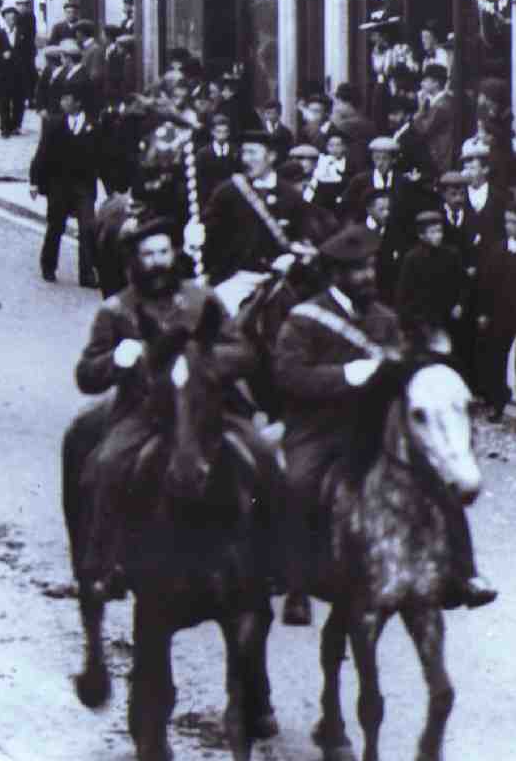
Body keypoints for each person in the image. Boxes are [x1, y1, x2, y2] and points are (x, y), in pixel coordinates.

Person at [274, 223, 496, 625]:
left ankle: (463, 572)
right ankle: (296, 584)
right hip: (320, 428)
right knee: (299, 484)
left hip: (375, 424)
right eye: (357, 270)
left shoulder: (385, 319)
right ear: (336, 274)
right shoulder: (304, 319)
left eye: (370, 267)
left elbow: (400, 371)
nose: (367, 276)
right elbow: (288, 375)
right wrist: (346, 375)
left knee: (436, 472)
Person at [74, 217, 263, 599]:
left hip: (206, 407)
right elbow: (87, 374)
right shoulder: (117, 311)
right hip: (145, 412)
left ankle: (269, 560)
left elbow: (244, 352)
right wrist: (117, 359)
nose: (157, 262)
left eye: (163, 252)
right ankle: (105, 565)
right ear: (134, 261)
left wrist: (204, 361)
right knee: (106, 464)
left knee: (263, 456)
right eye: (148, 254)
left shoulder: (202, 299)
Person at [203, 129, 317, 286]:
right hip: (235, 279)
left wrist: (292, 259)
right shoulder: (228, 192)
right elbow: (211, 236)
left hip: (279, 281)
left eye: (252, 153)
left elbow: (303, 237)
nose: (246, 159)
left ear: (271, 156)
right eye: (244, 153)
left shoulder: (291, 195)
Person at [29, 88, 99, 287]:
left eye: (66, 99)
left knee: (87, 228)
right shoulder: (53, 123)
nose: (62, 102)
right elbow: (41, 154)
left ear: (78, 102)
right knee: (55, 226)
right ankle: (48, 266)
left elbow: (103, 157)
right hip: (58, 185)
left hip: (84, 186)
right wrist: (34, 181)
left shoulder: (94, 126)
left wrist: (114, 185)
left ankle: (87, 274)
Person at [395, 210, 467, 352]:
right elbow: (404, 292)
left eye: (439, 231)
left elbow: (463, 283)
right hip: (424, 320)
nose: (438, 236)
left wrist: (460, 304)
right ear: (422, 235)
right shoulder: (412, 258)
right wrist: (413, 319)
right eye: (433, 232)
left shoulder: (451, 254)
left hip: (449, 317)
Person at [476, 199, 516, 422]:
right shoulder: (497, 250)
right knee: (497, 357)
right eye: (508, 222)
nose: (510, 226)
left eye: (514, 222)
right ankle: (498, 402)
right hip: (501, 313)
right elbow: (486, 284)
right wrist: (484, 313)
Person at [0, 4, 29, 138]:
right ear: (4, 19)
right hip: (3, 74)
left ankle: (16, 125)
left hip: (19, 73)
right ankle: (5, 127)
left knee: (18, 100)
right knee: (3, 101)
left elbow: (29, 51)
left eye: (14, 18)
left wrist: (23, 62)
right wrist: (1, 56)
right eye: (9, 18)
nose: (11, 20)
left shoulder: (22, 33)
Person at [413, 63, 454, 175]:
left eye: (426, 80)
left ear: (436, 83)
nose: (422, 84)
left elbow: (424, 130)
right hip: (438, 156)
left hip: (439, 158)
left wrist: (420, 110)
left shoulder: (441, 105)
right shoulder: (440, 102)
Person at [195, 113, 237, 214]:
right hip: (209, 201)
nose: (221, 136)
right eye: (218, 132)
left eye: (225, 132)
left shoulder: (235, 151)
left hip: (231, 201)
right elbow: (200, 182)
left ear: (229, 133)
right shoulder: (203, 154)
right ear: (212, 132)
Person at [75, 19, 105, 121]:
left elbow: (95, 74)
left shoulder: (95, 49)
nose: (76, 35)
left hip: (91, 95)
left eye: (77, 32)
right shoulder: (86, 48)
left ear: (81, 33)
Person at [14, 0, 38, 115]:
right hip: (26, 51)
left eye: (21, 4)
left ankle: (29, 99)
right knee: (28, 75)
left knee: (27, 75)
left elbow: (23, 34)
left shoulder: (26, 16)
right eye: (18, 4)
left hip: (25, 51)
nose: (19, 6)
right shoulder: (27, 15)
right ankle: (29, 98)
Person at [33, 45, 66, 117]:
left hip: (59, 113)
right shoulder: (47, 71)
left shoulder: (65, 74)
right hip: (46, 111)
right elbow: (40, 89)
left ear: (49, 61)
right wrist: (41, 108)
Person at [259, 99, 294, 166]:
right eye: (267, 113)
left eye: (273, 113)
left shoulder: (286, 132)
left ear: (279, 114)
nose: (270, 116)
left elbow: (288, 151)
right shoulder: (260, 130)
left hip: (280, 165)